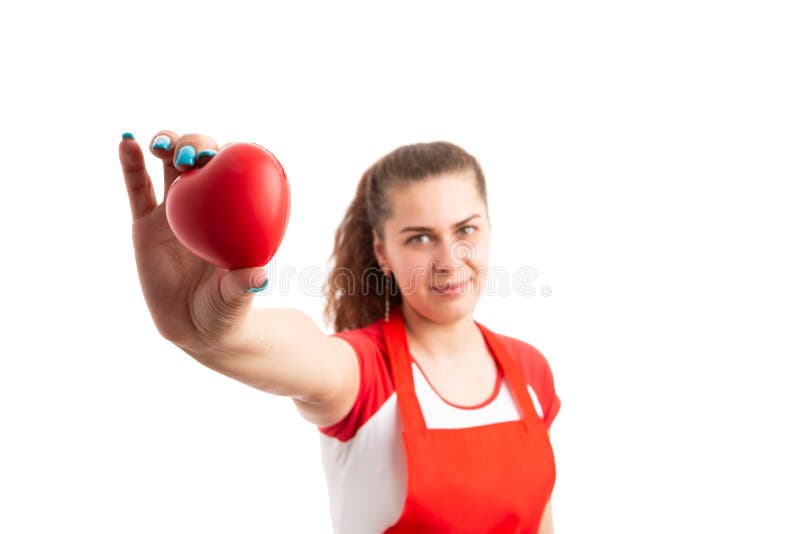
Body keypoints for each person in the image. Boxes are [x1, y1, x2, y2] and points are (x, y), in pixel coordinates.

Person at [118, 130, 560, 534]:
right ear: (382, 253)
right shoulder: (363, 375)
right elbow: (303, 350)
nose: (448, 260)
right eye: (419, 238)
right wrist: (214, 334)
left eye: (465, 229)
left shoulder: (530, 372)